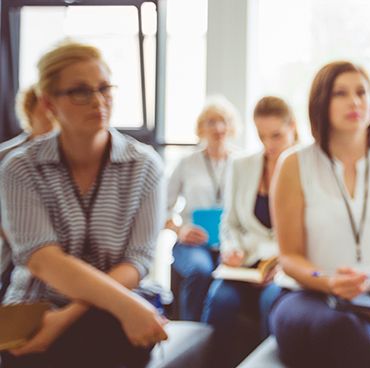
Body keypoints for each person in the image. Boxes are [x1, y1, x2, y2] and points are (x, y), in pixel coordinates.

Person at [0, 41, 167, 367]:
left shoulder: (145, 166)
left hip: (115, 311)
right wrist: (124, 307)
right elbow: (43, 261)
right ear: (49, 102)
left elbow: (137, 261)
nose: (98, 101)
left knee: (111, 336)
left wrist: (67, 317)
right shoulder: (19, 167)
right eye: (80, 91)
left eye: (104, 88)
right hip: (36, 305)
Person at [269, 61, 370, 367]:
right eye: (341, 93)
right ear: (321, 102)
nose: (355, 101)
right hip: (309, 298)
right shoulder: (294, 164)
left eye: (362, 92)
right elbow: (290, 257)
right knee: (343, 329)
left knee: (368, 345)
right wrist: (328, 281)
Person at [200, 96, 298, 367]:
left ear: (293, 127)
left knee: (271, 301)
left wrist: (283, 264)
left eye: (276, 136)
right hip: (243, 265)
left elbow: (311, 233)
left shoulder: (306, 168)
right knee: (220, 300)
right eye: (262, 136)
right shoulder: (242, 166)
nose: (269, 145)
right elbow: (229, 223)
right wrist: (229, 248)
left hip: (282, 269)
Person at [165, 99, 239, 321]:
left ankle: (218, 343)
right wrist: (180, 230)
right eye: (211, 122)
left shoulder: (241, 162)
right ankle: (191, 338)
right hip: (192, 243)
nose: (218, 128)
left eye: (224, 121)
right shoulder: (186, 163)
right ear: (201, 128)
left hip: (229, 242)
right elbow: (162, 209)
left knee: (227, 278)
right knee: (200, 269)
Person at [0, 86, 56, 300]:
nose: (52, 120)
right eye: (46, 113)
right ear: (30, 114)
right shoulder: (7, 157)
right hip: (13, 258)